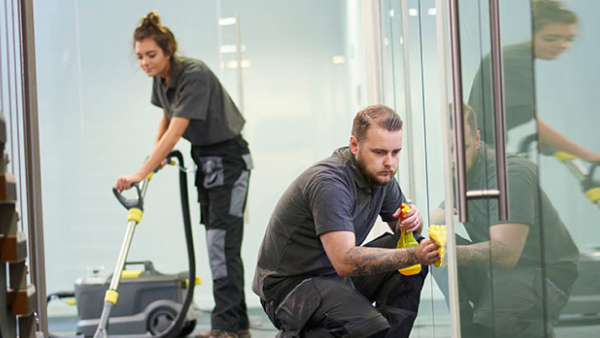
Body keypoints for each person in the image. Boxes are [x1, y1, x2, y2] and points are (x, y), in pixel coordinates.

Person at [114, 11, 253, 338]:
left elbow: (176, 132)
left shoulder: (193, 74)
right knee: (215, 244)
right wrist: (154, 158)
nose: (145, 62)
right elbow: (166, 117)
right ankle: (235, 326)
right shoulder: (161, 78)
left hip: (229, 160)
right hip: (206, 160)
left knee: (222, 246)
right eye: (140, 57)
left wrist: (140, 171)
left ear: (168, 51)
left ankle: (227, 328)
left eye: (151, 55)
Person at [252, 105, 440, 338]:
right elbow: (345, 261)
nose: (390, 162)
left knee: (411, 257)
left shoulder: (381, 174)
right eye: (379, 152)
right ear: (354, 145)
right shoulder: (330, 183)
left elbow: (403, 234)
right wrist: (414, 254)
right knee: (366, 327)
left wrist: (413, 222)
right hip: (289, 291)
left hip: (333, 279)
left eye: (395, 152)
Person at [431, 104, 579, 338]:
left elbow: (507, 255)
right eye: (447, 150)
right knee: (436, 253)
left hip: (543, 272)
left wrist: (448, 252)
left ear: (477, 139)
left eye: (461, 148)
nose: (453, 159)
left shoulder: (510, 175)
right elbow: (438, 218)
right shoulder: (460, 170)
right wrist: (433, 228)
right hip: (499, 270)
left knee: (490, 324)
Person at [468, 0, 600, 162]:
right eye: (550, 39)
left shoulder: (520, 57)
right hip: (481, 154)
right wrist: (587, 155)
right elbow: (536, 122)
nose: (562, 45)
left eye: (569, 39)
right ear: (532, 33)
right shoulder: (513, 60)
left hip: (489, 149)